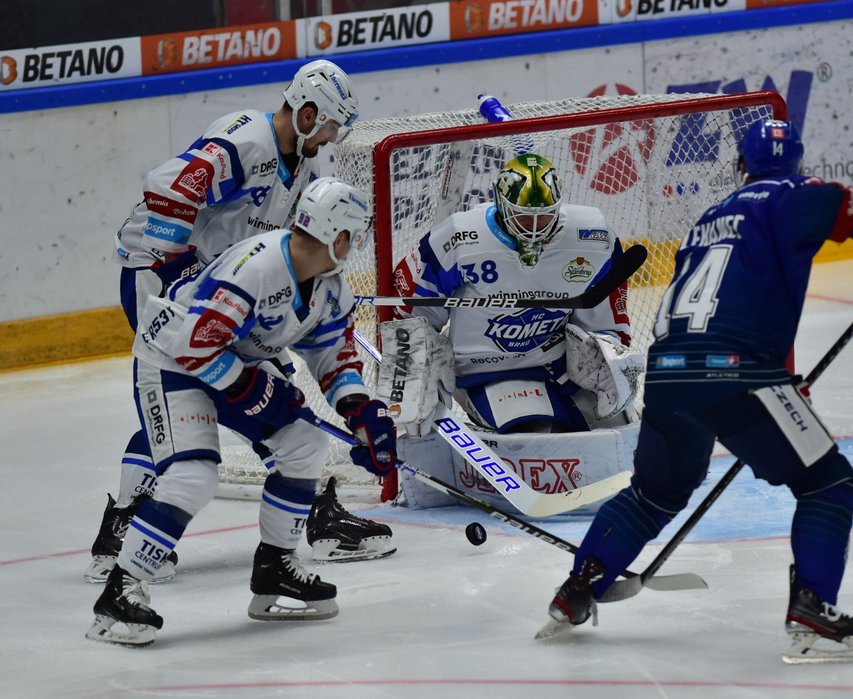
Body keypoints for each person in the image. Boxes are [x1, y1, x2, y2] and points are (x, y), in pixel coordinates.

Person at [544, 119, 853, 663]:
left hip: (669, 373)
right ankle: (813, 612)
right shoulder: (795, 194)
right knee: (829, 483)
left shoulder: (708, 220)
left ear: (740, 168)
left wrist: (782, 381)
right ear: (798, 164)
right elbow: (852, 210)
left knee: (654, 494)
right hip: (735, 371)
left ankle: (580, 586)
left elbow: (728, 306)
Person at [86, 59, 392, 585]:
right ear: (309, 111)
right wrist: (182, 274)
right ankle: (124, 523)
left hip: (230, 288)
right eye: (331, 123)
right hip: (163, 273)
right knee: (185, 386)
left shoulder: (308, 171)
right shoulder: (246, 140)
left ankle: (308, 505)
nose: (334, 135)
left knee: (263, 388)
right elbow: (171, 191)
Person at [86, 177, 398, 647]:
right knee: (194, 476)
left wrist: (360, 412)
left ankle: (275, 568)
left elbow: (335, 357)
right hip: (171, 363)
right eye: (353, 237)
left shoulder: (329, 288)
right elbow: (196, 347)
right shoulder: (256, 267)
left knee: (306, 443)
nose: (354, 246)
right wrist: (252, 388)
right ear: (338, 237)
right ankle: (122, 588)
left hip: (230, 363)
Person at [378, 153, 645, 507]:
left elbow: (606, 305)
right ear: (501, 206)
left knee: (624, 424)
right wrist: (413, 368)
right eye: (523, 217)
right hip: (486, 372)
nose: (533, 228)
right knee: (536, 436)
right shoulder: (461, 238)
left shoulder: (590, 236)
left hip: (558, 365)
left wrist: (608, 347)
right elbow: (404, 306)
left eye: (543, 217)